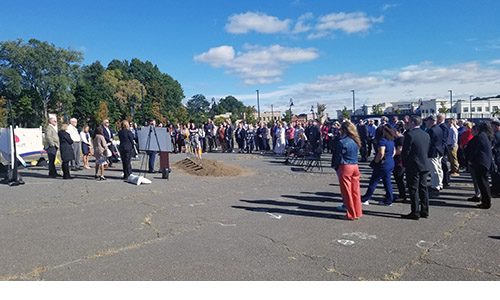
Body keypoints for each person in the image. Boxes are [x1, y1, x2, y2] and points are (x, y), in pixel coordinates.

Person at [401, 116, 431, 220]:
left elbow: (406, 151)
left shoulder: (409, 134)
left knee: (413, 189)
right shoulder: (426, 134)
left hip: (413, 165)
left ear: (412, 123)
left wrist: (404, 163)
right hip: (424, 164)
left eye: (409, 122)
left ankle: (415, 211)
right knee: (423, 188)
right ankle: (425, 210)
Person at [333, 121, 362, 220]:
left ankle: (350, 213)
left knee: (347, 192)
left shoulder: (342, 142)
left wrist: (336, 166)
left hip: (345, 166)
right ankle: (357, 212)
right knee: (355, 191)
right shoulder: (355, 141)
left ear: (344, 130)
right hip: (355, 166)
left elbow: (338, 156)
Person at [361, 125, 396, 206]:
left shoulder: (381, 141)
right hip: (390, 162)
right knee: (387, 181)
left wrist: (376, 162)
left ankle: (365, 198)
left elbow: (381, 153)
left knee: (373, 181)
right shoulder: (391, 140)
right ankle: (389, 199)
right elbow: (393, 152)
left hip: (382, 164)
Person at [465, 122, 493, 209]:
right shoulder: (486, 136)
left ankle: (486, 202)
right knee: (484, 182)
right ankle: (485, 200)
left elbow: (473, 150)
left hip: (480, 162)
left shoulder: (479, 137)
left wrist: (471, 160)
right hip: (485, 162)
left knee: (483, 183)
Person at [427, 116, 444, 192]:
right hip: (439, 150)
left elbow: (429, 142)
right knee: (439, 168)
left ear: (430, 121)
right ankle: (440, 183)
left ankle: (435, 185)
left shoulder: (431, 130)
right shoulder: (439, 128)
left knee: (434, 169)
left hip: (433, 151)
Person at [393, 121, 406, 202]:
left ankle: (402, 195)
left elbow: (400, 150)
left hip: (399, 161)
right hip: (397, 160)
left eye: (395, 131)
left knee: (399, 178)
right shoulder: (396, 138)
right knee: (398, 179)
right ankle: (401, 193)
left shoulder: (401, 139)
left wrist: (392, 153)